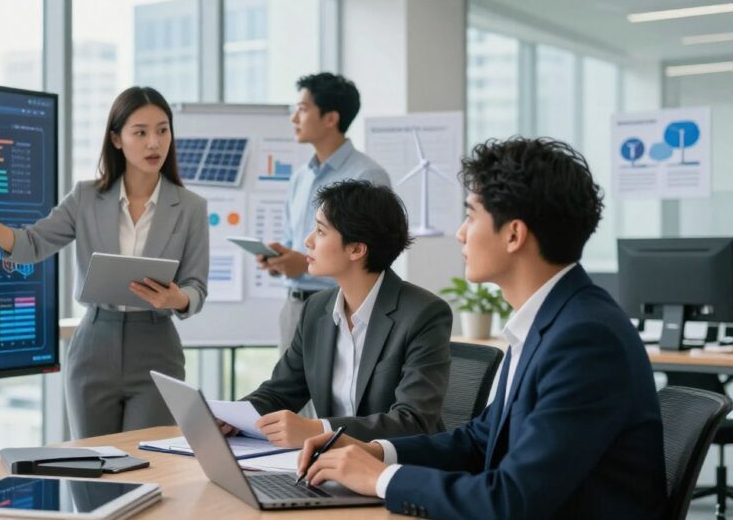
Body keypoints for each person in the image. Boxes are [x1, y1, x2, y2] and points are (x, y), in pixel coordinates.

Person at [297, 138, 666, 519]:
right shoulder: (551, 320)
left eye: (471, 216)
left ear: (514, 234)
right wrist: (376, 452)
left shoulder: (585, 339)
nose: (460, 233)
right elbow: (481, 441)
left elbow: (511, 501)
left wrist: (381, 478)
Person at [0, 87, 209, 439]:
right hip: (94, 345)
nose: (154, 142)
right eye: (140, 132)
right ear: (117, 139)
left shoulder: (191, 207)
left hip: (157, 348)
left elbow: (196, 286)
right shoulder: (86, 197)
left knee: (149, 462)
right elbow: (31, 244)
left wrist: (177, 298)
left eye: (162, 130)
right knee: (93, 463)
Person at [229, 180, 451, 447]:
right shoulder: (316, 309)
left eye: (320, 231)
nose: (308, 241)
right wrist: (230, 418)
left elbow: (412, 421)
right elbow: (279, 393)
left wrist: (318, 429)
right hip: (331, 463)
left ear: (356, 249)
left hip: (397, 464)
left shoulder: (423, 314)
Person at [260, 73, 391, 355]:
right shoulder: (300, 178)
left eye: (302, 109)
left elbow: (372, 261)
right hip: (294, 309)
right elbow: (293, 242)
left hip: (341, 309)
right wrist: (280, 261)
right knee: (288, 385)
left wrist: (303, 265)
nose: (294, 118)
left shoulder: (367, 176)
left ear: (330, 118)